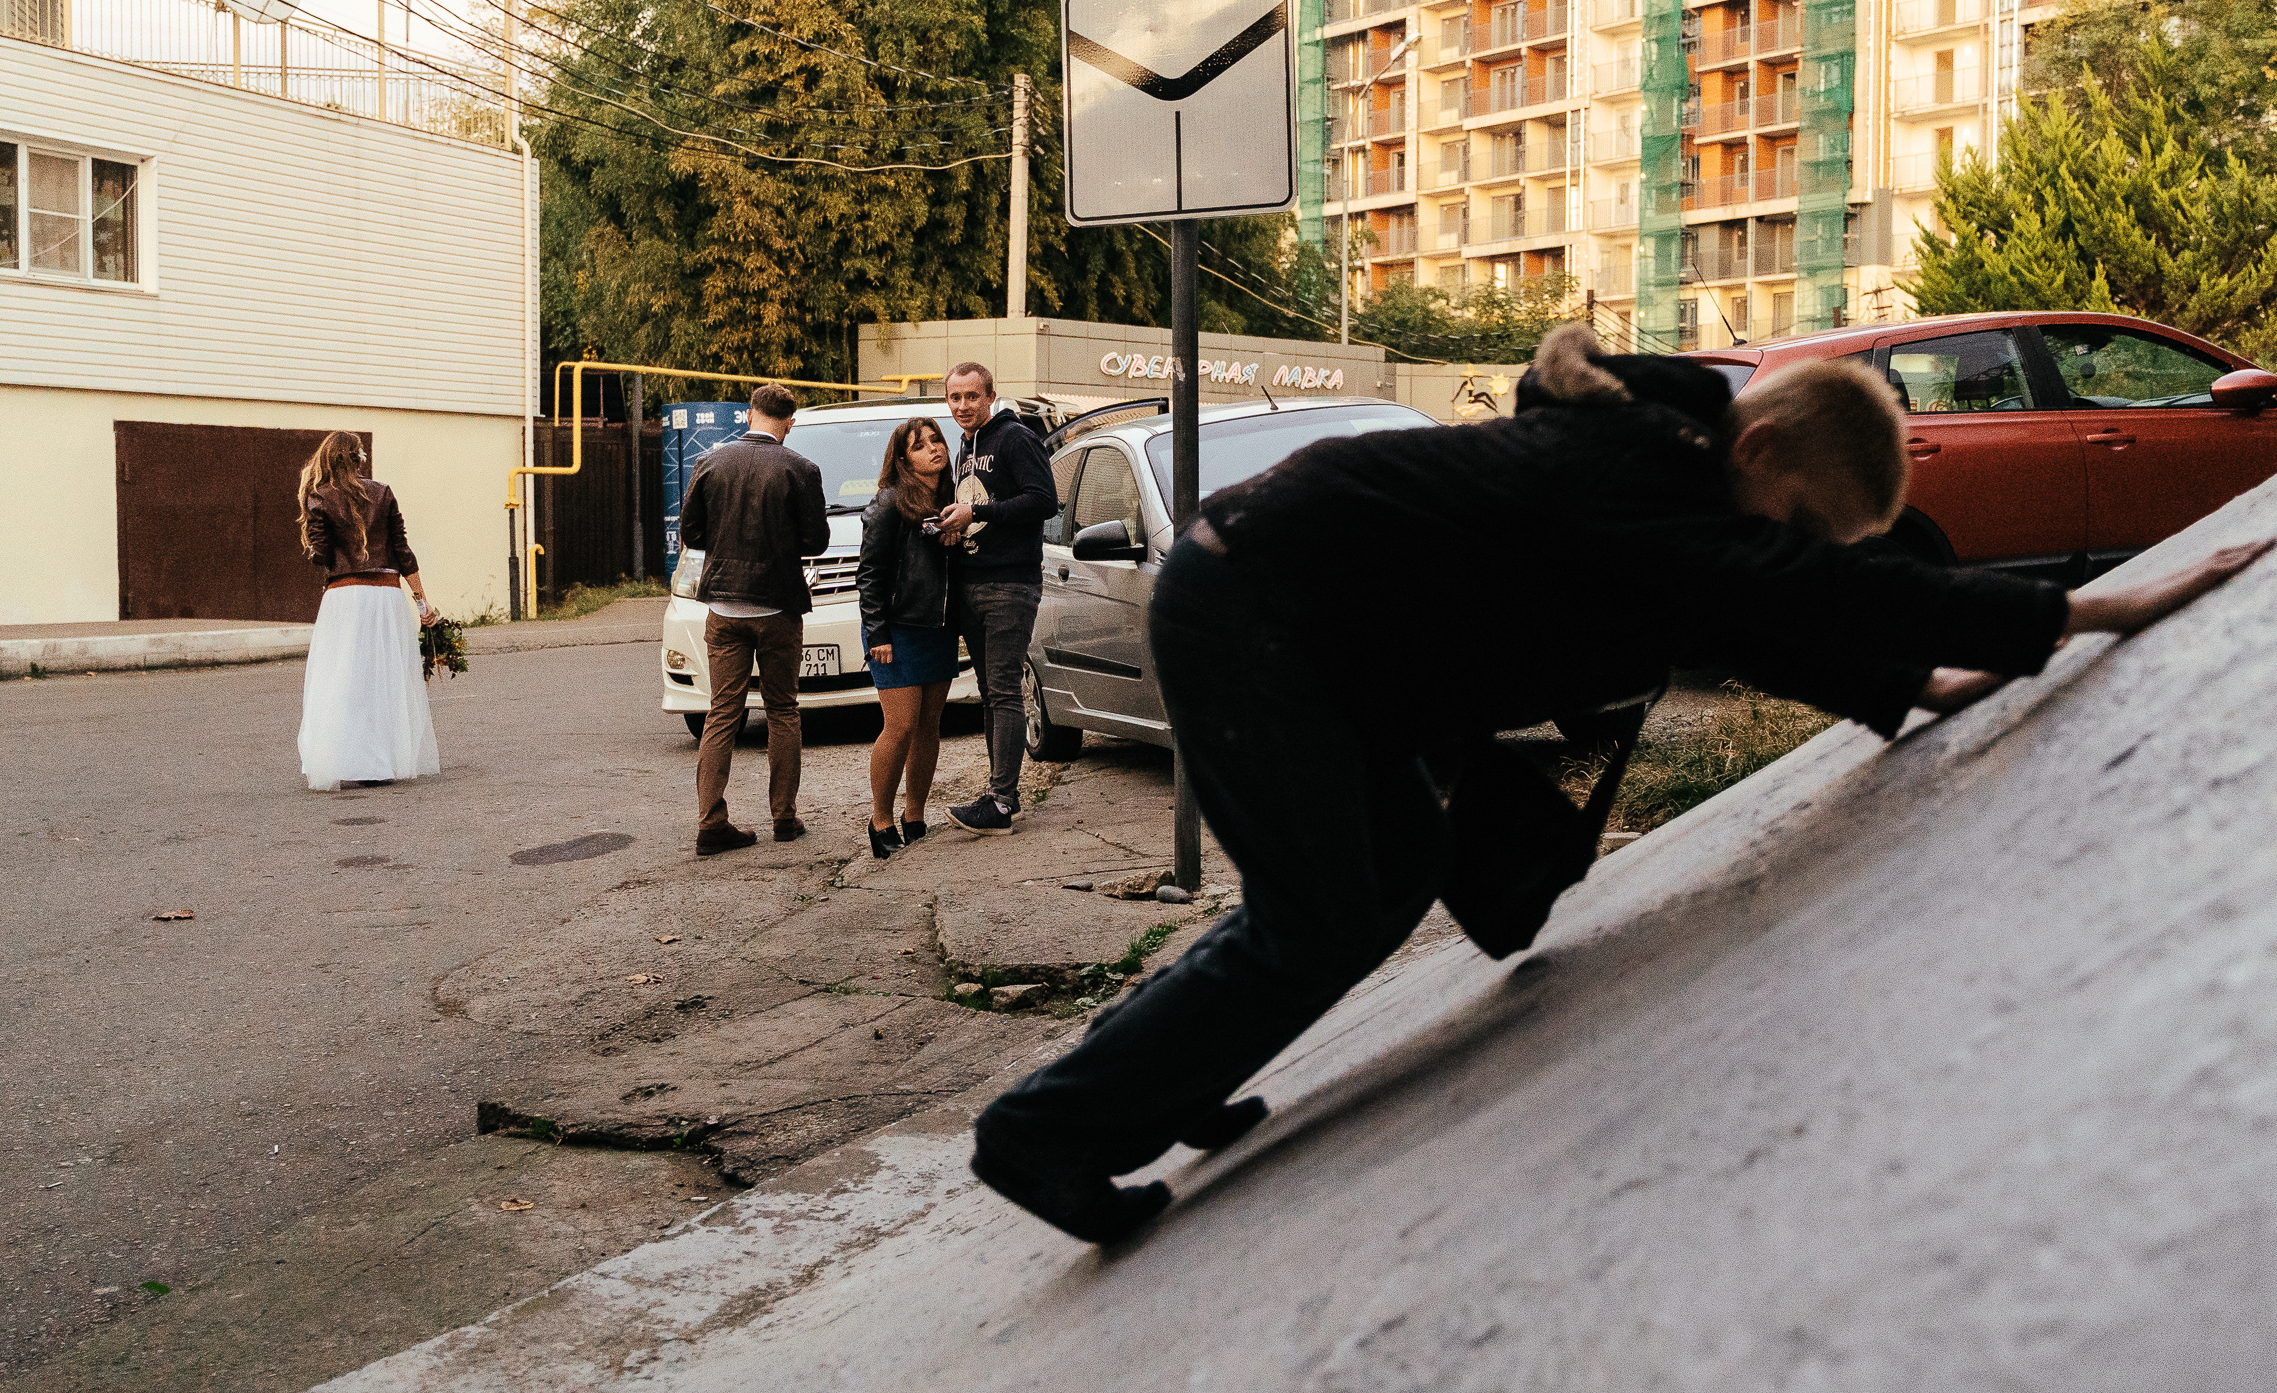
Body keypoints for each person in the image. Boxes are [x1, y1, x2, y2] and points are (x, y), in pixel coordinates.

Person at [969, 325, 2273, 1244]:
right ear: (1763, 447)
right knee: (1318, 914)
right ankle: (1043, 1135)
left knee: (1395, 872)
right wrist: (2078, 612)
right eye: (1802, 520)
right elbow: (1797, 590)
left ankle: (1167, 1076)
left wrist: (1911, 687)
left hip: (1315, 634)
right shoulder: (1642, 467)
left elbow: (1765, 621)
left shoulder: (1680, 497)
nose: (1791, 547)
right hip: (1252, 608)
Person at [678, 383, 830, 856]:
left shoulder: (710, 462)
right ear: (789, 422)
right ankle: (784, 817)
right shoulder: (801, 469)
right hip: (778, 605)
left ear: (749, 414)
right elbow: (817, 541)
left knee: (722, 712)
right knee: (782, 710)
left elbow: (691, 532)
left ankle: (710, 822)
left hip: (723, 606)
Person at [934, 362, 1058, 835]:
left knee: (1004, 689)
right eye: (955, 398)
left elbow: (1043, 500)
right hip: (971, 582)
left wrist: (977, 512)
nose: (963, 406)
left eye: (972, 396)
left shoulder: (1015, 438)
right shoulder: (964, 447)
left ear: (990, 396)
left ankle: (1001, 803)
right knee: (990, 692)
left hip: (1010, 583)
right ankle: (1002, 795)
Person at [296, 432, 442, 793]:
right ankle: (381, 760)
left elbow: (321, 555)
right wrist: (422, 603)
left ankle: (348, 758)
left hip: (345, 598)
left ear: (328, 459)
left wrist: (314, 538)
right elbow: (402, 550)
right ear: (358, 458)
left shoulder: (319, 496)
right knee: (384, 677)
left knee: (343, 678)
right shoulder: (383, 492)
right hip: (386, 596)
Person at [858, 416, 958, 858]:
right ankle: (880, 819)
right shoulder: (890, 502)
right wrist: (877, 632)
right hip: (895, 630)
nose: (934, 448)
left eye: (937, 440)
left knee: (929, 727)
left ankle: (914, 816)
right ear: (903, 459)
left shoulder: (954, 498)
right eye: (920, 445)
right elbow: (870, 574)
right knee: (899, 726)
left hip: (938, 627)